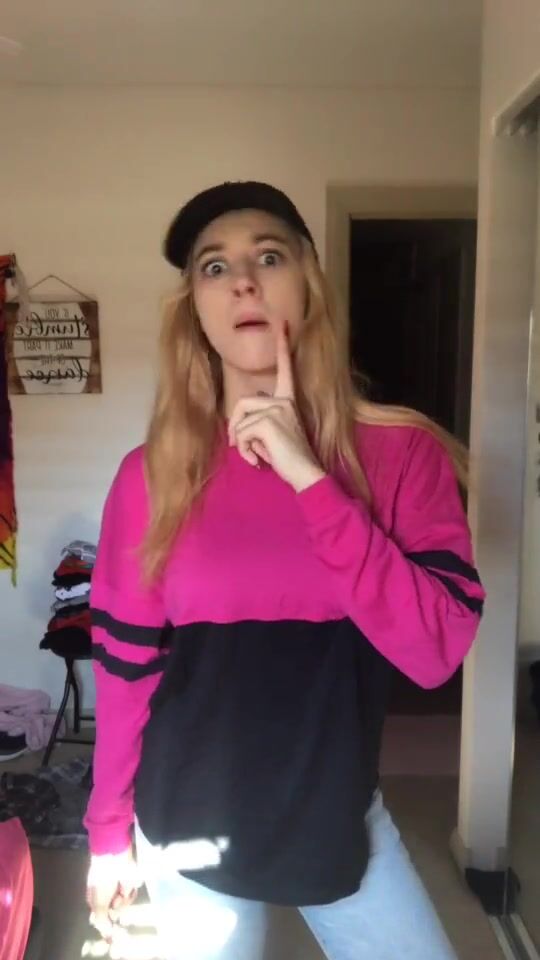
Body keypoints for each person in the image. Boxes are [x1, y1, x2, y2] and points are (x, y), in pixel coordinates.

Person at [84, 181, 485, 960]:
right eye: (214, 266)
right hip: (186, 826)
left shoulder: (403, 455)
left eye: (268, 257)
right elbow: (126, 671)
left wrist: (310, 478)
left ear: (308, 284)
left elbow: (435, 650)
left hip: (338, 811)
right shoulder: (150, 474)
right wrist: (105, 836)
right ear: (196, 312)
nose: (243, 280)